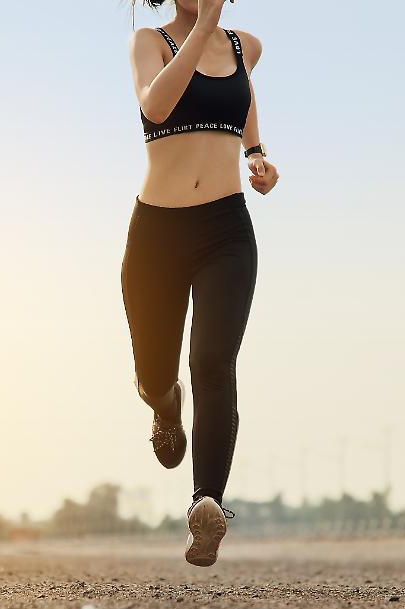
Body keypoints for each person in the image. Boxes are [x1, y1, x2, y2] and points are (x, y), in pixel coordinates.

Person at [121, 0, 280, 566]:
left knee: (213, 362)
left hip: (226, 230)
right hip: (157, 234)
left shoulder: (245, 47)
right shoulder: (149, 41)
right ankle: (166, 409)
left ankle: (205, 505)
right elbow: (156, 108)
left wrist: (257, 152)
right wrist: (205, 26)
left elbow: (244, 94)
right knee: (153, 375)